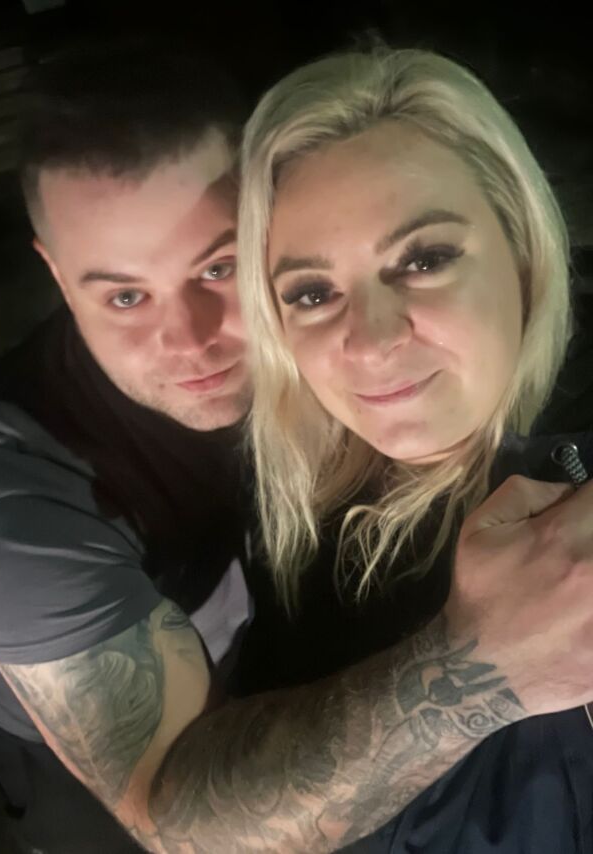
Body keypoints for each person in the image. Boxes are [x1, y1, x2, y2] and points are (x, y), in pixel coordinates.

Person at [0, 36, 590, 854]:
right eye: (124, 296)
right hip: (98, 788)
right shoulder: (3, 485)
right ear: (54, 275)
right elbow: (175, 816)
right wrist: (489, 665)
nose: (191, 342)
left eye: (219, 270)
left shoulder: (326, 380)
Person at [236, 43, 593, 851]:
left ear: (521, 247)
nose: (370, 342)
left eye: (424, 259)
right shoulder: (288, 518)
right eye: (313, 293)